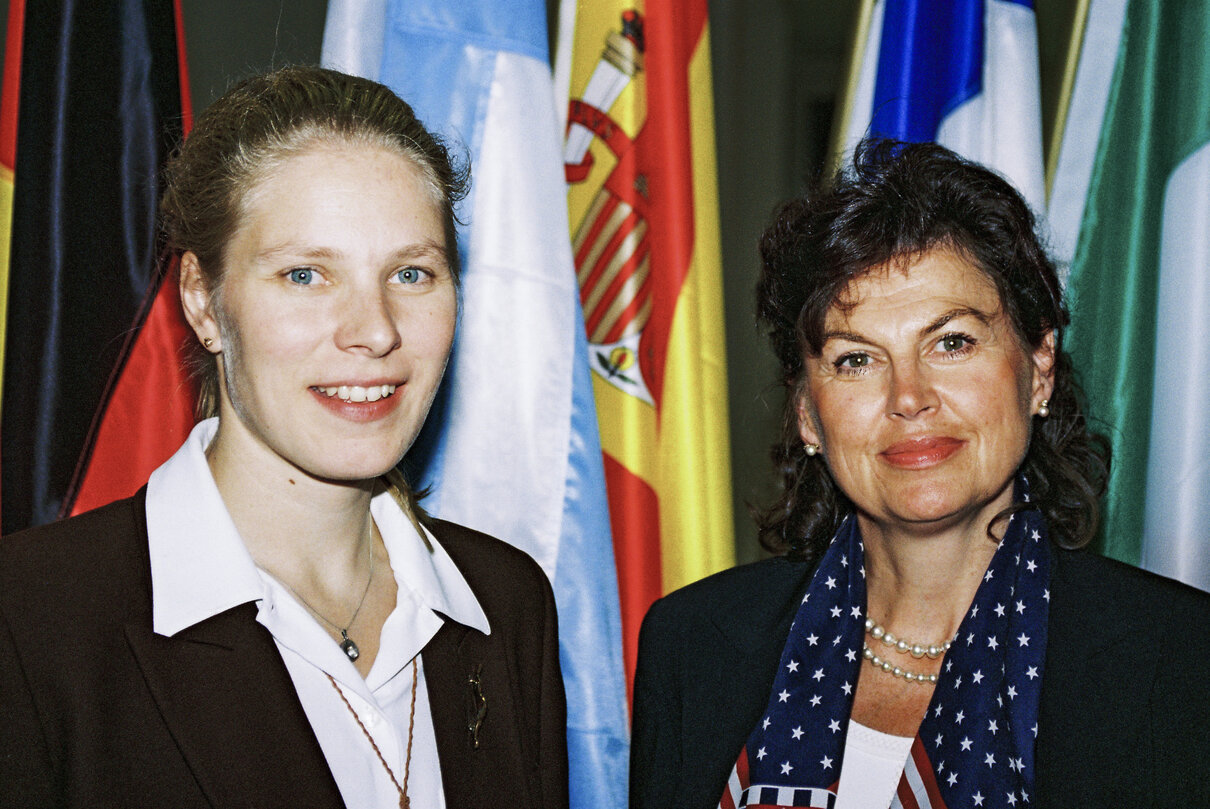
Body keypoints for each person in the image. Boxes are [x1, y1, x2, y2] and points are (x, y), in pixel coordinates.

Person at [0, 66, 567, 808]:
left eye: (412, 273)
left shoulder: (507, 602)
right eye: (305, 274)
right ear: (203, 300)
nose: (375, 330)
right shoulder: (30, 619)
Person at [630, 140, 1210, 809]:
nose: (909, 395)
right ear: (807, 414)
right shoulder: (691, 643)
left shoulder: (1182, 662)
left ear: (1039, 369)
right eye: (856, 359)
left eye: (952, 342)